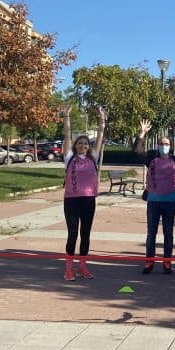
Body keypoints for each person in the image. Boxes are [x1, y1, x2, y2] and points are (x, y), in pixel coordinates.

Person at [134, 119, 175, 274]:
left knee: (168, 233)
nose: (164, 146)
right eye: (161, 144)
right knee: (151, 233)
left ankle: (167, 262)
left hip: (170, 201)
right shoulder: (151, 158)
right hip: (153, 201)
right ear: (157, 146)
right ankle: (149, 262)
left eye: (167, 144)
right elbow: (137, 150)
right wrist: (142, 134)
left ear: (171, 147)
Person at [62, 106, 107, 281]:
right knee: (72, 233)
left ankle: (82, 267)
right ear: (75, 146)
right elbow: (67, 135)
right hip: (72, 201)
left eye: (85, 144)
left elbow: (100, 137)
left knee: (85, 234)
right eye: (80, 143)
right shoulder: (69, 158)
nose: (83, 145)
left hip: (88, 200)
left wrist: (102, 120)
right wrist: (66, 116)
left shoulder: (92, 158)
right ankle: (68, 269)